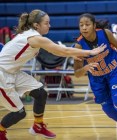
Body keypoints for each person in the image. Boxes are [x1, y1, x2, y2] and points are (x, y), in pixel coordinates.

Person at [0, 10, 106, 140]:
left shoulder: (32, 36)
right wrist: (90, 52)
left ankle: (38, 126)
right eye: (46, 23)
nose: (49, 26)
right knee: (19, 113)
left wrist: (72, 54)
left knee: (41, 93)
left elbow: (58, 51)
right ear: (36, 25)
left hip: (13, 72)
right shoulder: (34, 38)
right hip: (2, 75)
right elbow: (62, 49)